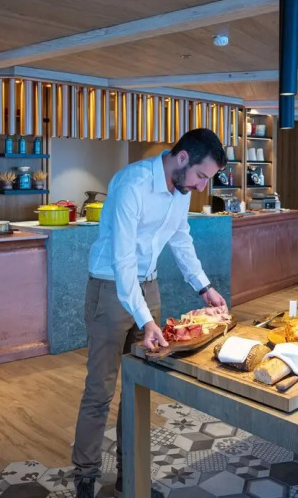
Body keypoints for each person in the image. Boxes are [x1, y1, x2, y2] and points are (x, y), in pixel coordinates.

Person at [73, 128, 229, 498]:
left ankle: (130, 478)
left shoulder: (181, 191)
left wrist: (204, 287)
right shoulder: (133, 185)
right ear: (182, 158)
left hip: (149, 288)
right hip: (111, 288)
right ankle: (85, 477)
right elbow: (123, 260)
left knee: (138, 386)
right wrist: (145, 320)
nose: (201, 187)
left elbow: (180, 238)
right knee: (100, 390)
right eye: (201, 176)